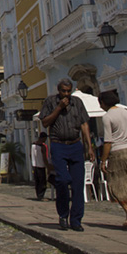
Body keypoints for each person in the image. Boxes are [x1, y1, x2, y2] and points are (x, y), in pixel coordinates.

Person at [40, 78, 94, 231]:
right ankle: (63, 214)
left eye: (69, 91)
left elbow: (84, 124)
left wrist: (89, 146)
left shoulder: (77, 103)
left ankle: (76, 220)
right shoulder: (50, 102)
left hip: (76, 145)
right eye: (63, 91)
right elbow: (45, 123)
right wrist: (58, 108)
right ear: (58, 90)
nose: (66, 93)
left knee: (78, 184)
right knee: (63, 180)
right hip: (58, 145)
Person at [98, 90, 127, 229]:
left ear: (103, 103)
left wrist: (103, 160)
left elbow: (108, 141)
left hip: (117, 153)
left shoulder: (107, 117)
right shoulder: (125, 111)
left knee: (117, 187)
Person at [31, 132, 50, 201]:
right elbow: (45, 157)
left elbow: (31, 155)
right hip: (41, 165)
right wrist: (48, 166)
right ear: (43, 138)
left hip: (34, 165)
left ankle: (38, 195)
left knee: (37, 182)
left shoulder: (33, 145)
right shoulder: (42, 146)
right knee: (42, 182)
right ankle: (41, 195)